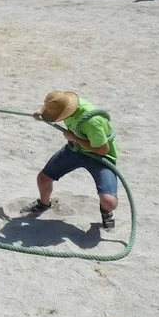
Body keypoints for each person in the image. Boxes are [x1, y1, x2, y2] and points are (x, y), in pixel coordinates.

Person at [28, 91, 120, 230]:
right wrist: (42, 114)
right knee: (43, 179)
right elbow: (53, 107)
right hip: (75, 149)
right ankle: (44, 203)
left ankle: (106, 212)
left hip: (100, 157)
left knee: (109, 202)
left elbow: (103, 150)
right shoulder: (65, 103)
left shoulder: (92, 121)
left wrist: (75, 138)